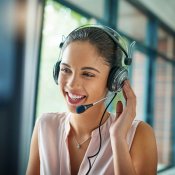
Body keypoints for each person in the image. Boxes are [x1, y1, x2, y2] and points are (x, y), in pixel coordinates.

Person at [26, 24, 157, 175]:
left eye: (88, 74)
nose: (72, 84)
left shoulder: (139, 135)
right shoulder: (45, 125)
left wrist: (118, 139)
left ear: (114, 81)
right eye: (65, 70)